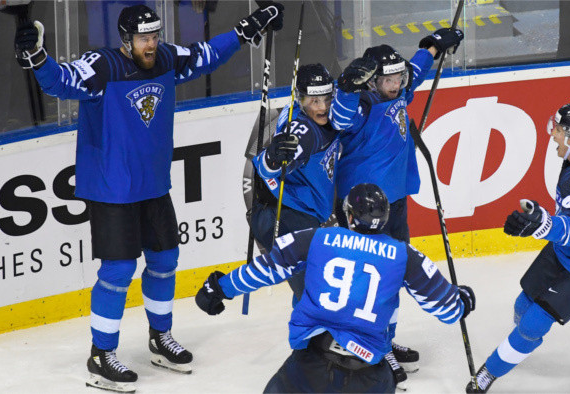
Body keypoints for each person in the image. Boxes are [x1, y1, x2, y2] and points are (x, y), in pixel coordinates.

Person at [13, 3, 284, 392]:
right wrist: (38, 57)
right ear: (126, 40)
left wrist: (245, 30)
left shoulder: (167, 59)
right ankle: (101, 354)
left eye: (155, 36)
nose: (152, 43)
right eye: (144, 38)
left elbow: (207, 55)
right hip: (112, 188)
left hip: (154, 185)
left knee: (165, 260)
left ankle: (160, 337)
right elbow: (60, 81)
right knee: (119, 271)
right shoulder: (102, 67)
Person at [196, 183, 476, 393]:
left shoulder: (318, 238)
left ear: (350, 217)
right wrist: (463, 300)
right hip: (370, 378)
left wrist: (219, 288)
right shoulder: (405, 255)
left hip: (311, 367)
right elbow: (449, 310)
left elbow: (267, 269)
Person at [466, 104, 570, 393]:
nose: (553, 134)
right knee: (521, 307)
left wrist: (542, 224)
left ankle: (488, 373)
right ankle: (520, 346)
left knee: (532, 325)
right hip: (567, 250)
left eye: (559, 130)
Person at [329, 28, 463, 384]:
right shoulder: (360, 103)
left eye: (399, 75)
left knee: (393, 273)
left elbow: (417, 68)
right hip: (361, 208)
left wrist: (434, 46)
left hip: (395, 201)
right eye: (389, 77)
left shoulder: (400, 89)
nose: (398, 81)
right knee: (369, 277)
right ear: (372, 80)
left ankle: (383, 340)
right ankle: (368, 344)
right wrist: (345, 86)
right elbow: (339, 119)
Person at [250, 63, 340, 306]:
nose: (322, 107)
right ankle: (310, 343)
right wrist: (272, 158)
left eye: (326, 99)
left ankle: (311, 340)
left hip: (296, 212)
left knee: (311, 287)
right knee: (314, 291)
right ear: (300, 99)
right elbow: (269, 167)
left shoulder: (304, 108)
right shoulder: (304, 131)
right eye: (314, 101)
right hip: (285, 216)